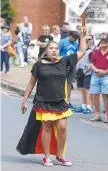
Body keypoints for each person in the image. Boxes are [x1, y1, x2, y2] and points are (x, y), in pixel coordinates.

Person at [16, 27, 86, 167]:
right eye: (51, 48)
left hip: (60, 101)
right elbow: (30, 84)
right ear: (46, 51)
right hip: (43, 102)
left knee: (63, 127)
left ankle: (60, 155)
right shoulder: (39, 65)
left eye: (56, 48)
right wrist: (24, 101)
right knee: (47, 129)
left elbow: (82, 51)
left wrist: (83, 36)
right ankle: (47, 156)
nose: (54, 50)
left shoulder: (64, 61)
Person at [90, 34, 108, 123]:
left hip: (106, 75)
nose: (103, 44)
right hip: (95, 75)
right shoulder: (95, 51)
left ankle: (106, 115)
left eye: (105, 42)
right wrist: (97, 70)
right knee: (95, 95)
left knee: (105, 95)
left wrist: (105, 71)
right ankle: (97, 115)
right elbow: (91, 63)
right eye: (102, 42)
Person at [59, 31, 80, 110]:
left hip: (72, 66)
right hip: (63, 65)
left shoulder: (75, 43)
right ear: (70, 35)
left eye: (76, 39)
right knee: (61, 83)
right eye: (73, 38)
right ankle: (60, 100)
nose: (74, 40)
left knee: (69, 84)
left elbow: (77, 53)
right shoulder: (62, 42)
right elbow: (58, 52)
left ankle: (67, 101)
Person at [76, 34, 95, 114]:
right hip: (79, 71)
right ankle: (83, 106)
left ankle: (88, 106)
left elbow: (92, 63)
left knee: (87, 90)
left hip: (86, 72)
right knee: (82, 89)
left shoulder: (90, 52)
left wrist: (85, 71)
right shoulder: (79, 52)